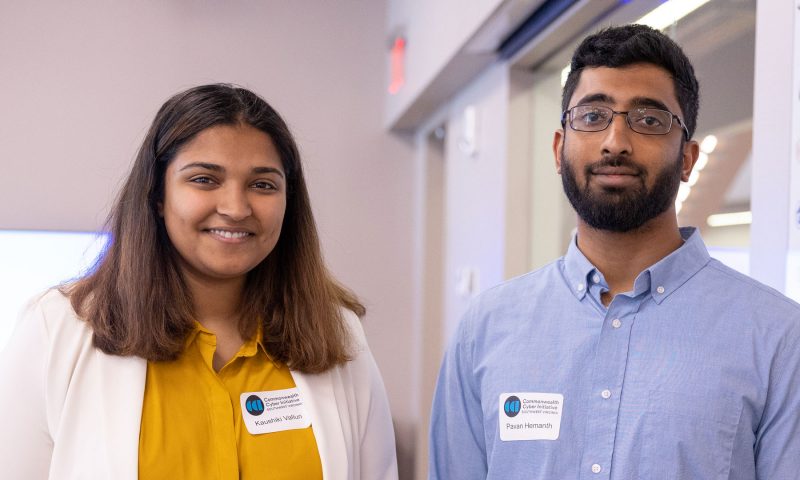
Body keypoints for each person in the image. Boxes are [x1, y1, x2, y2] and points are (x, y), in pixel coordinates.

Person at [429, 24, 800, 479]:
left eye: (648, 120)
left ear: (687, 158)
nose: (615, 142)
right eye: (592, 116)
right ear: (559, 147)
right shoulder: (483, 331)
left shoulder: (778, 339)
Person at [0, 84, 398, 479]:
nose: (236, 208)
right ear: (157, 195)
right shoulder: (55, 331)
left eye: (262, 185)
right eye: (205, 179)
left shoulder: (337, 333)